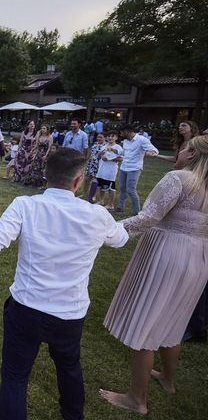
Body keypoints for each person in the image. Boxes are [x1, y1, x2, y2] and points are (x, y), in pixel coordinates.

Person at [0, 148, 128, 420]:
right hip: (66, 313)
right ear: (78, 181)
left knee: (15, 377)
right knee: (68, 368)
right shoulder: (96, 215)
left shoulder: (27, 205)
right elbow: (120, 239)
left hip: (27, 308)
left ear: (46, 175)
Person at [100, 135, 208, 415]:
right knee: (175, 319)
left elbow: (148, 217)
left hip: (167, 253)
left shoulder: (178, 178)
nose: (179, 150)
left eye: (184, 147)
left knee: (145, 323)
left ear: (193, 155)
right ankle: (168, 380)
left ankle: (137, 399)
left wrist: (110, 230)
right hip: (198, 258)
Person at [115, 124, 159, 214]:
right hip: (124, 167)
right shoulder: (126, 141)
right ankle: (120, 207)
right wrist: (115, 151)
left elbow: (153, 149)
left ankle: (137, 211)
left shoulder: (142, 140)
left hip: (134, 168)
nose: (121, 134)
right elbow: (124, 152)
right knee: (122, 188)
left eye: (121, 132)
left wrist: (152, 152)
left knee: (131, 190)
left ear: (127, 131)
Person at [94, 131, 123, 209]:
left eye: (113, 136)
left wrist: (109, 159)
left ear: (116, 138)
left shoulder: (118, 147)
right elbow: (99, 155)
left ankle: (110, 204)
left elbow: (120, 159)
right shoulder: (104, 146)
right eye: (109, 136)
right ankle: (101, 200)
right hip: (102, 169)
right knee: (101, 186)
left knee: (111, 188)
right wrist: (101, 154)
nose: (110, 138)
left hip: (110, 171)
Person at [83, 132, 105, 202]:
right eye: (98, 137)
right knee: (86, 179)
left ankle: (93, 196)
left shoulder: (106, 146)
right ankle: (84, 193)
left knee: (97, 181)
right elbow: (90, 152)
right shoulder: (95, 144)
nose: (99, 138)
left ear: (105, 138)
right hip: (91, 164)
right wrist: (87, 159)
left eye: (101, 137)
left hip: (99, 165)